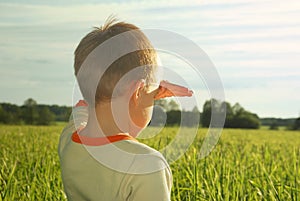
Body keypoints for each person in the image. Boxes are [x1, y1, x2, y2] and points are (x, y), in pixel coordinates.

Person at [58, 17, 193, 201]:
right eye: (152, 96)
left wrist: (148, 90)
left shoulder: (69, 140)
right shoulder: (147, 165)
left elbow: (82, 108)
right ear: (137, 92)